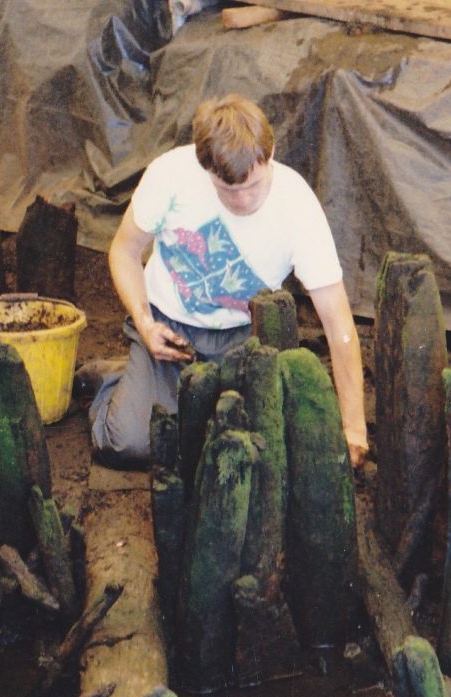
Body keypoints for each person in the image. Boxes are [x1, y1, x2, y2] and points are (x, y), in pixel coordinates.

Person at [85, 94, 368, 469]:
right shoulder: (170, 174)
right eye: (227, 190)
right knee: (129, 445)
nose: (242, 200)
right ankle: (114, 383)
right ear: (205, 168)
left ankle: (136, 380)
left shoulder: (297, 203)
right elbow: (123, 251)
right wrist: (143, 321)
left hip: (242, 338)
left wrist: (354, 428)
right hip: (169, 332)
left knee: (250, 448)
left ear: (270, 155)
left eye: (253, 185)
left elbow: (338, 323)